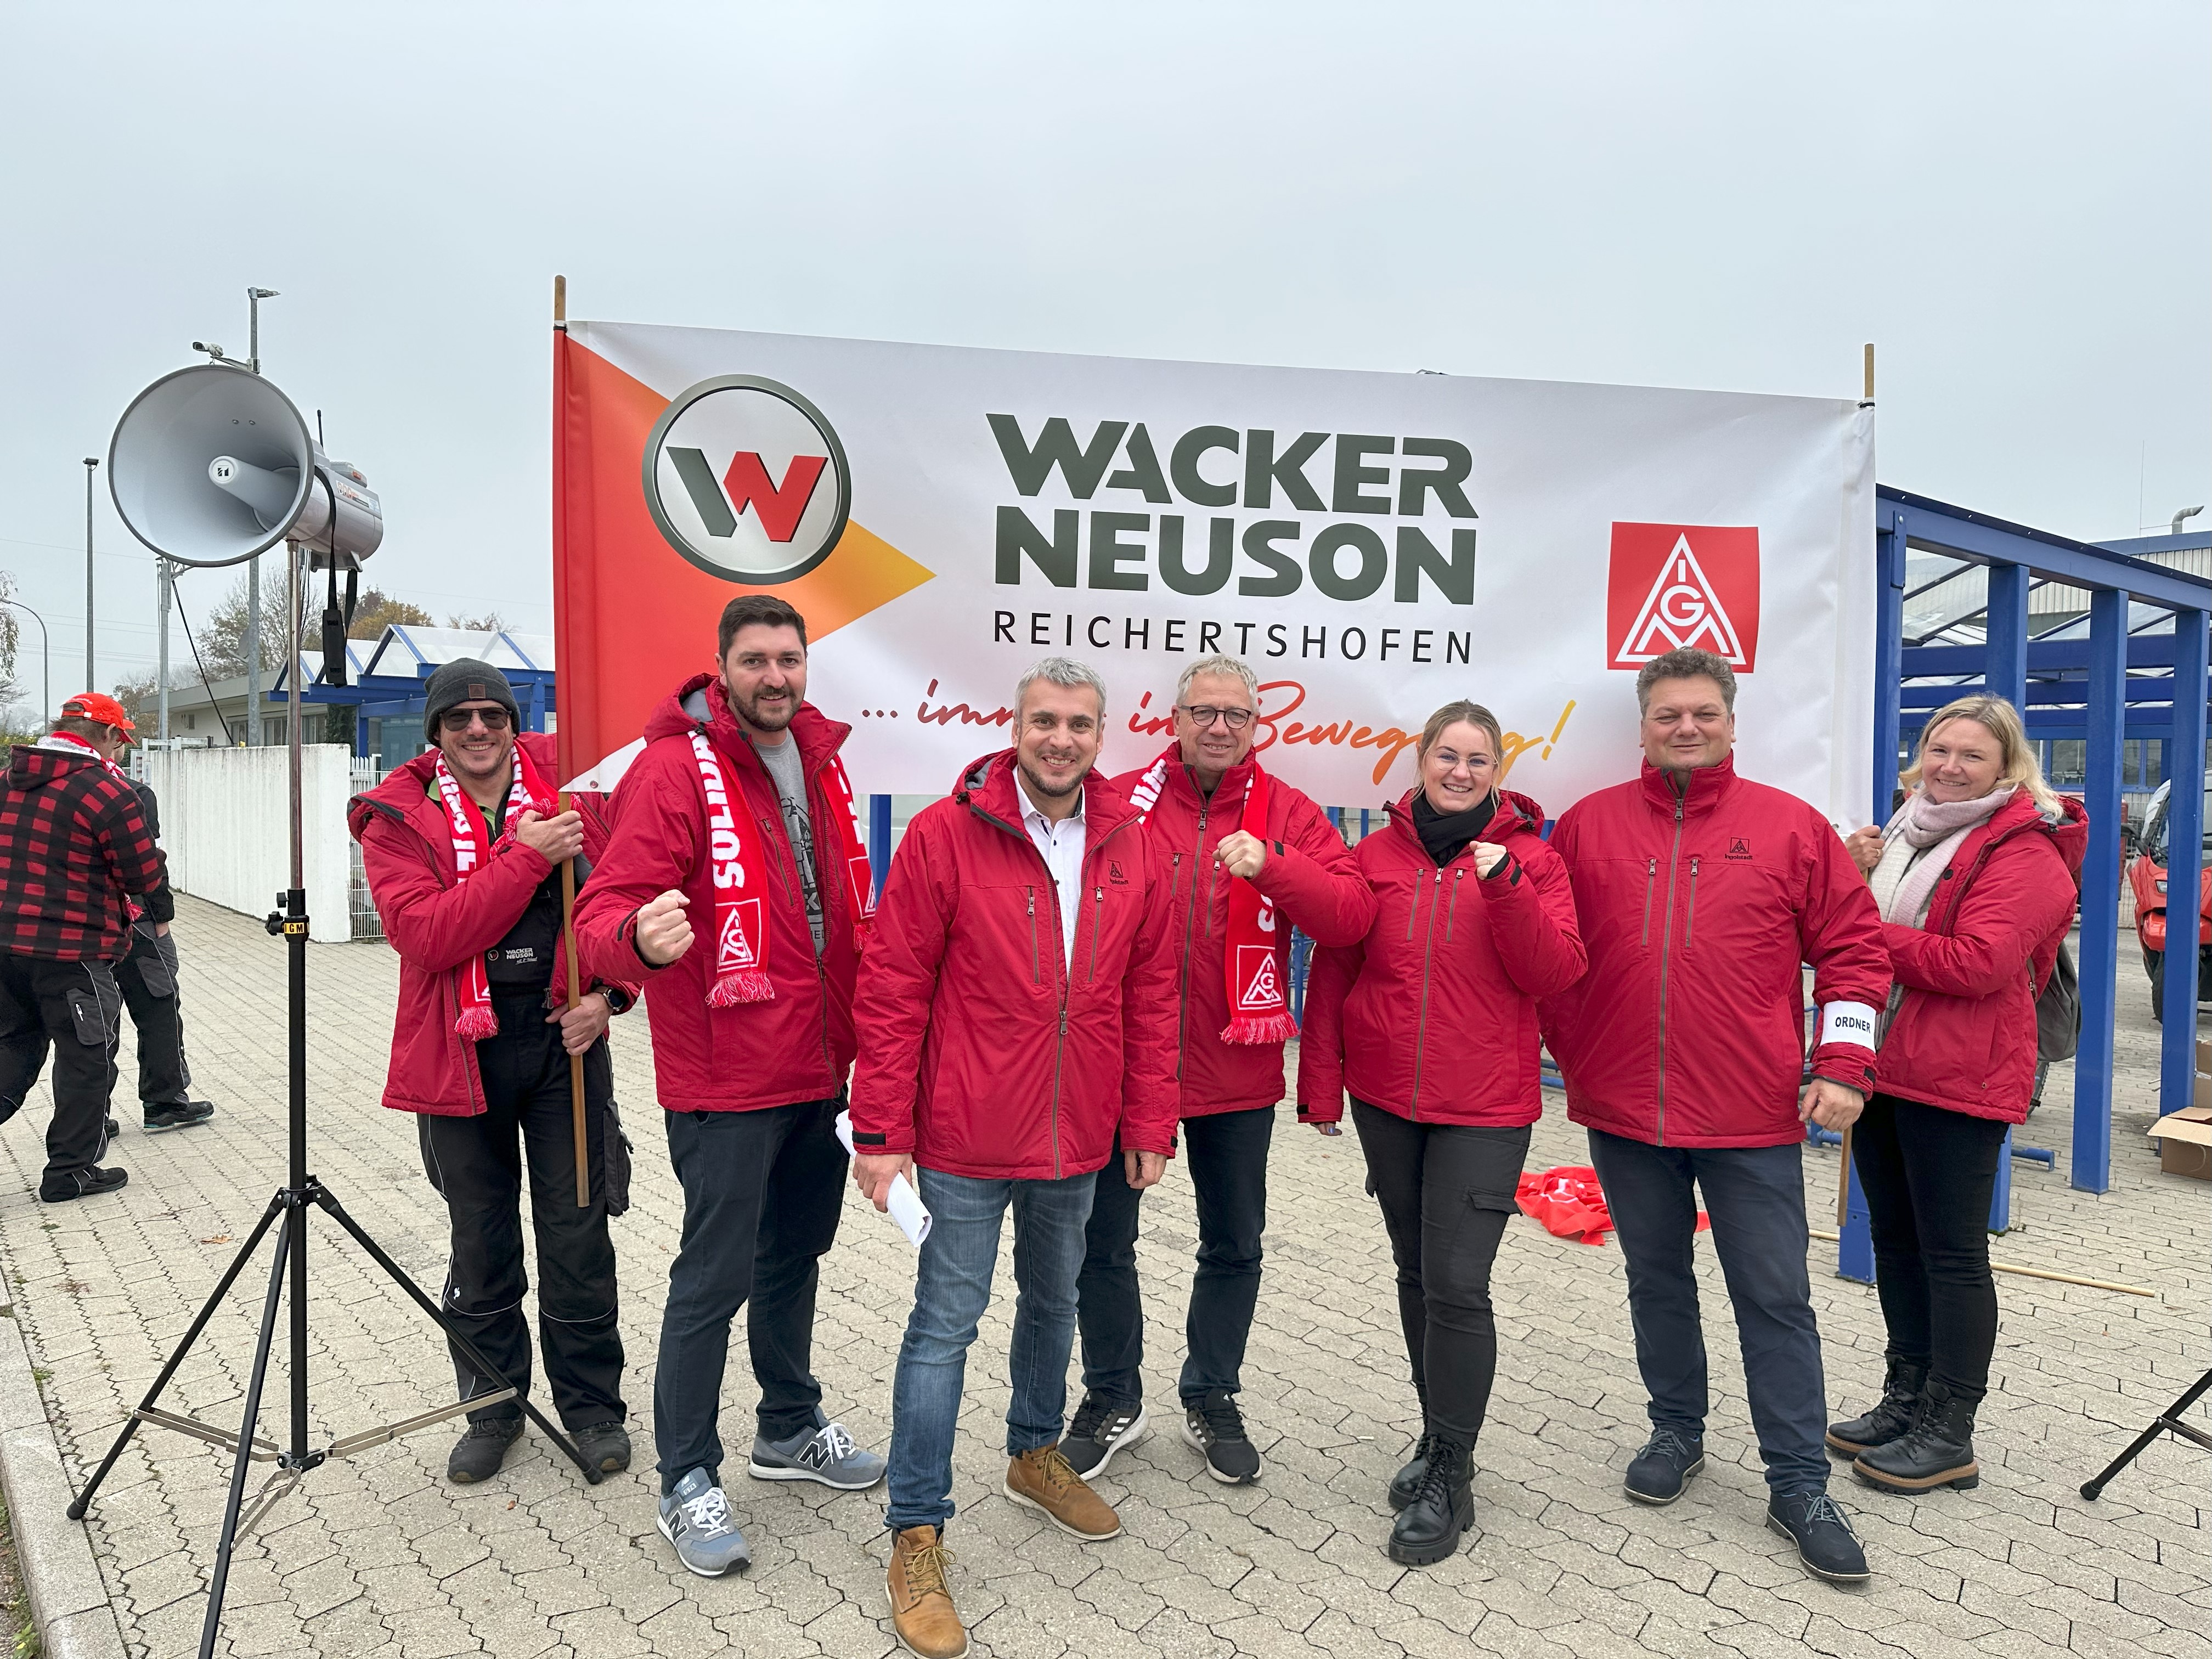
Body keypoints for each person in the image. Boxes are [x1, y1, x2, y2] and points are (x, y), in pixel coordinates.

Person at [849, 657, 1178, 1659]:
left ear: (1101, 734)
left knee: (1054, 1302)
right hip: (965, 1133)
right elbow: (893, 984)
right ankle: (916, 1529)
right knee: (944, 1324)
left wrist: (1148, 1121)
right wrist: (881, 1132)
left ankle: (1034, 1453)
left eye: (1079, 723)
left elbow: (1150, 992)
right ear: (1015, 726)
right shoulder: (947, 834)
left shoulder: (1130, 844)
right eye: (1045, 721)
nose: (1060, 739)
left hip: (1076, 1134)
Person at [1539, 646, 1890, 1585]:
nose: (1685, 727)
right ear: (1643, 726)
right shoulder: (1587, 826)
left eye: (1702, 713)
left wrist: (1844, 1065)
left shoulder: (1790, 828)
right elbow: (1545, 949)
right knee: (1655, 1278)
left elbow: (1855, 951)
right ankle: (1676, 1430)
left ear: (1732, 722)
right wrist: (1574, 1050)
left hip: (1750, 1115)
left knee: (1774, 1297)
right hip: (1625, 1111)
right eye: (1668, 714)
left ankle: (1798, 1482)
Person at [573, 595, 886, 1579]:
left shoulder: (822, 759)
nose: (774, 676)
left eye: (788, 659)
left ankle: (788, 1424)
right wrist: (635, 939)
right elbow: (604, 906)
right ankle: (686, 1475)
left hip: (819, 1066)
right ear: (722, 667)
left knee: (796, 1254)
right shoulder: (673, 767)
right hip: (726, 1076)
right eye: (755, 660)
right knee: (714, 1277)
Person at [1063, 654, 1372, 1487]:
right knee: (1103, 1243)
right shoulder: (1119, 800)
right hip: (1127, 1065)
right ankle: (1112, 1396)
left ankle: (1211, 1393)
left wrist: (1276, 865)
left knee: (1233, 1244)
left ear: (1257, 726)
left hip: (1237, 1067)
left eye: (1237, 714)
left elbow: (1351, 916)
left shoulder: (1290, 812)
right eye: (1204, 711)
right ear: (1174, 720)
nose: (1220, 727)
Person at [1299, 700, 1584, 1565]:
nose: (1460, 772)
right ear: (1420, 760)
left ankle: (1453, 1473)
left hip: (1485, 1107)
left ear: (1498, 770)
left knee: (1459, 1284)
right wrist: (1321, 1087)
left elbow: (1555, 971)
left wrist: (1508, 888)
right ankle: (1435, 1434)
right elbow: (1336, 968)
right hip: (1388, 1100)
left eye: (1477, 760)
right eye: (1446, 756)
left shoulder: (1533, 859)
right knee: (1417, 1272)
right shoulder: (1374, 858)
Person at [351, 659, 638, 1487]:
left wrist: (611, 996)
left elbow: (625, 902)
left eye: (493, 715)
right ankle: (493, 1406)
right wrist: (525, 855)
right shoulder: (398, 817)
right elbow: (429, 935)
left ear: (515, 723)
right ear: (436, 732)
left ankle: (591, 1408)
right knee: (481, 1241)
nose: (478, 729)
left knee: (578, 1234)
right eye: (459, 718)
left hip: (563, 1042)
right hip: (458, 1048)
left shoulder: (576, 790)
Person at [1828, 696, 2085, 1494]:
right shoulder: (1907, 831)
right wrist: (1851, 877)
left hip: (1961, 1077)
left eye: (1972, 756)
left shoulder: (2026, 852)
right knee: (1897, 1242)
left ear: (2008, 768)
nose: (1949, 767)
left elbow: (1977, 962)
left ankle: (1950, 1430)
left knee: (1953, 1254)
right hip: (1885, 1064)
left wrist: (1857, 935)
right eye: (1940, 750)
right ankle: (1905, 1397)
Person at [0, 694, 165, 1201]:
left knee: (14, 1047)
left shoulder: (7, 782)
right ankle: (70, 1171)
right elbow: (142, 876)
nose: (119, 750)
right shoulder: (107, 793)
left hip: (6, 944)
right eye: (120, 740)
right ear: (108, 735)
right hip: (73, 950)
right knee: (87, 1057)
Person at [116, 778, 217, 1134]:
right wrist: (162, 917)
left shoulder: (36, 790)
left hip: (73, 925)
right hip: (136, 919)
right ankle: (165, 1102)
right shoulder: (132, 793)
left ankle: (88, 1117)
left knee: (93, 1019)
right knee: (159, 1006)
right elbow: (147, 860)